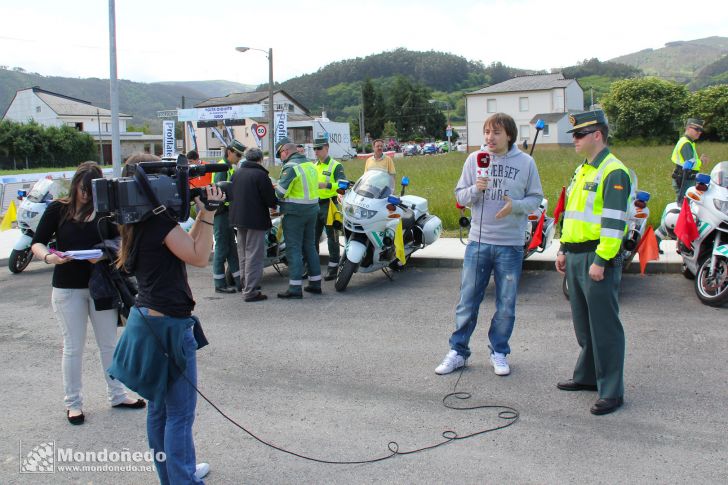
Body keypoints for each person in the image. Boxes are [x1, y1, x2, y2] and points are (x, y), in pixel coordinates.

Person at [108, 180, 223, 483]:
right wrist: (210, 214)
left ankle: (173, 474)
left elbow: (188, 248)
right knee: (179, 415)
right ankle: (183, 478)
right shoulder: (158, 223)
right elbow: (199, 257)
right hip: (168, 329)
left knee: (160, 411)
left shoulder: (140, 221)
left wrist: (201, 214)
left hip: (151, 321)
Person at [31, 161, 145, 425]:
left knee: (108, 344)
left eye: (91, 191)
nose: (85, 196)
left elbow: (122, 243)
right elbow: (37, 241)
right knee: (73, 348)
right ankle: (73, 403)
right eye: (82, 190)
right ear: (75, 185)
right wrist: (49, 257)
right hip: (67, 287)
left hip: (101, 285)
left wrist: (104, 254)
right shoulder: (58, 209)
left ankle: (117, 395)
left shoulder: (105, 212)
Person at [435, 113, 543, 377]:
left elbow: (537, 198)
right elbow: (460, 195)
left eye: (495, 132)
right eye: (486, 132)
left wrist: (515, 206)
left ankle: (499, 352)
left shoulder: (526, 163)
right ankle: (458, 351)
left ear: (509, 135)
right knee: (467, 301)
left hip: (511, 245)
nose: (489, 138)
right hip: (478, 242)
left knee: (506, 304)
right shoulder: (474, 160)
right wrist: (475, 190)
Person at [555, 109, 632, 416]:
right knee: (584, 324)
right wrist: (562, 246)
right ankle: (587, 377)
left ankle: (611, 391)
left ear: (597, 136)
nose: (573, 140)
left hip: (596, 257)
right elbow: (572, 213)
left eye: (578, 135)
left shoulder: (613, 171)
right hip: (575, 254)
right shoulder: (583, 168)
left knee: (604, 327)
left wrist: (601, 260)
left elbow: (614, 224)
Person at [274, 136, 322, 298]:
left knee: (293, 248)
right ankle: (315, 283)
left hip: (295, 213)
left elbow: (280, 193)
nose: (280, 158)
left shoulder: (291, 167)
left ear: (285, 151)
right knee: (310, 246)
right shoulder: (309, 164)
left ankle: (295, 288)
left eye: (279, 154)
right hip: (312, 210)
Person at [229, 147, 278, 302]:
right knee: (254, 255)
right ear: (260, 159)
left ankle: (244, 284)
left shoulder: (236, 174)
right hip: (256, 220)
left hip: (238, 218)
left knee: (243, 253)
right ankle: (251, 291)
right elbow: (270, 200)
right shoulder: (261, 175)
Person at [212, 140, 244, 294]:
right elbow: (220, 192)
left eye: (241, 155)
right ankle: (219, 283)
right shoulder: (222, 168)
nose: (238, 158)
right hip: (221, 213)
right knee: (222, 248)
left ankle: (239, 281)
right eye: (237, 154)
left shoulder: (228, 167)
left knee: (231, 248)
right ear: (229, 152)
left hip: (227, 213)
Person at [313, 136, 346, 280]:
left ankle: (333, 268)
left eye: (319, 148)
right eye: (314, 149)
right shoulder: (314, 166)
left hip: (329, 204)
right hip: (314, 205)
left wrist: (326, 185)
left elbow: (342, 184)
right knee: (312, 238)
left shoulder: (336, 165)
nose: (316, 151)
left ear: (326, 148)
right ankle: (312, 268)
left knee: (332, 237)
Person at [670, 118, 710, 201]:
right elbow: (690, 163)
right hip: (684, 179)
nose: (699, 132)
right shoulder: (686, 143)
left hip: (686, 178)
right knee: (684, 206)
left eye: (701, 130)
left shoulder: (688, 142)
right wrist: (701, 161)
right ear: (688, 128)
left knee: (687, 205)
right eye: (697, 129)